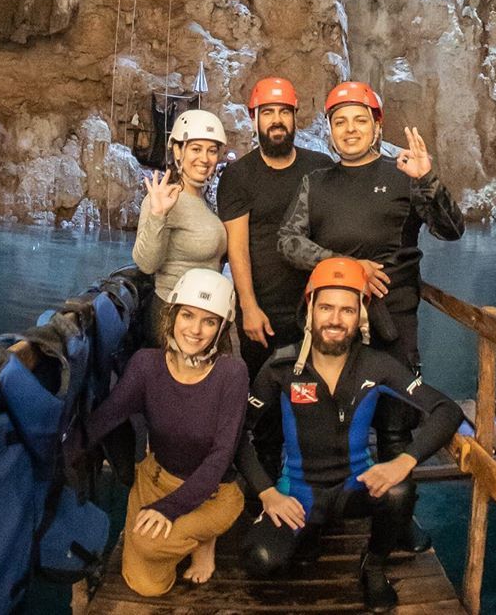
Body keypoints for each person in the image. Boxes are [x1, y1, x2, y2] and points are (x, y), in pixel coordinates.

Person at [237, 257, 463, 612]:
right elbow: (239, 433)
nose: (335, 319)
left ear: (362, 315)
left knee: (399, 491)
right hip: (298, 493)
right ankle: (309, 530)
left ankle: (372, 565)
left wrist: (403, 461)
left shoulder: (379, 366)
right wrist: (267, 494)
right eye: (326, 307)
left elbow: (447, 410)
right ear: (309, 308)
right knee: (261, 560)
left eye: (347, 310)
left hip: (354, 488)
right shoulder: (281, 366)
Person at [76, 269, 247, 595]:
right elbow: (108, 416)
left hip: (214, 493)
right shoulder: (146, 365)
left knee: (147, 543)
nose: (195, 330)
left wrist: (168, 509)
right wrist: (56, 452)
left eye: (209, 321)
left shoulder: (231, 373)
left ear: (222, 328)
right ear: (172, 314)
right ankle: (182, 537)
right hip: (156, 479)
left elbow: (221, 456)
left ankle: (203, 538)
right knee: (146, 585)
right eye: (188, 315)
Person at [277, 81, 464, 372]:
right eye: (340, 122)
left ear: (377, 126)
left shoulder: (405, 175)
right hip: (333, 321)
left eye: (360, 120)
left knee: (395, 410)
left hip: (392, 321)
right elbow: (288, 241)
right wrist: (347, 266)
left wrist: (427, 181)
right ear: (331, 130)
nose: (350, 129)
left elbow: (451, 230)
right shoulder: (314, 183)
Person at [216, 76, 333, 382]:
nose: (277, 121)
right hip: (263, 310)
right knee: (264, 399)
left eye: (284, 112)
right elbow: (237, 247)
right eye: (267, 113)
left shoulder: (320, 167)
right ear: (254, 119)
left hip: (314, 306)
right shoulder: (238, 176)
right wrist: (249, 306)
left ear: (295, 117)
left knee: (312, 398)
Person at [133, 109, 228, 344]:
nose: (204, 159)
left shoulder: (205, 201)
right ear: (177, 150)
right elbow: (146, 264)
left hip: (204, 313)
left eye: (212, 150)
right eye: (196, 149)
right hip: (172, 315)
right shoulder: (165, 198)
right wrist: (157, 214)